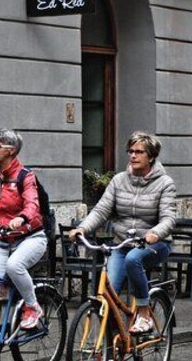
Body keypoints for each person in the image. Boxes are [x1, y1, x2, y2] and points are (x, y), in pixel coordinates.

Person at [69, 132, 176, 334]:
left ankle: (144, 313)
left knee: (133, 259)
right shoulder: (119, 180)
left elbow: (169, 219)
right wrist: (82, 228)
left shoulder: (165, 184)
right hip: (122, 244)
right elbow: (101, 210)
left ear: (151, 156)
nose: (133, 156)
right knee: (106, 296)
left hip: (154, 244)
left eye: (139, 152)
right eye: (131, 151)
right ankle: (111, 350)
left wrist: (155, 232)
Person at [0, 129, 48, 330]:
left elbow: (32, 203)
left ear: (11, 151)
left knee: (14, 266)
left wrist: (21, 218)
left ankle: (32, 306)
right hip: (3, 240)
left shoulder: (25, 176)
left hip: (30, 238)